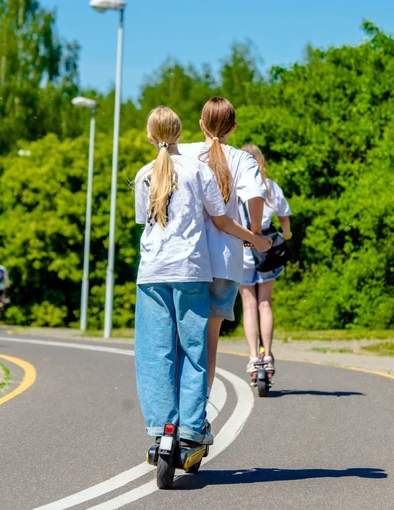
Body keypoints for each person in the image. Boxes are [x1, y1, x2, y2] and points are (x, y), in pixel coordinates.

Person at [133, 106, 270, 448]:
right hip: (199, 267)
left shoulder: (147, 172)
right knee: (197, 349)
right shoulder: (205, 167)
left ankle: (163, 426)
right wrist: (255, 237)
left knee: (157, 352)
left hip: (153, 271)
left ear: (150, 137)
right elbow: (226, 216)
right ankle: (193, 426)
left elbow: (145, 221)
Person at [180, 97, 268, 397]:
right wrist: (255, 233)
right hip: (225, 260)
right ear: (233, 127)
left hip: (187, 259)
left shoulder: (185, 153)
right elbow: (255, 196)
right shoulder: (242, 159)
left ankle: (180, 401)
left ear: (201, 124)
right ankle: (200, 406)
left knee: (183, 337)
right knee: (210, 340)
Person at [238, 144, 293, 375]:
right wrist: (287, 235)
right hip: (266, 249)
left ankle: (253, 357)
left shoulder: (235, 188)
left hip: (242, 252)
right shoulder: (270, 187)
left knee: (248, 305)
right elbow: (284, 217)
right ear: (262, 161)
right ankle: (267, 355)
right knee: (265, 303)